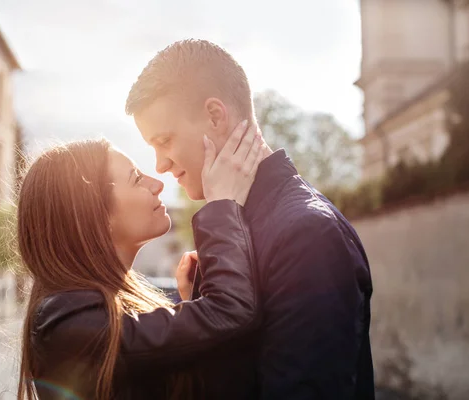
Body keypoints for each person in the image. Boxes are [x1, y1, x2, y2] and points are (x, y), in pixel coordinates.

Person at [126, 39, 375, 399]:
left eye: (164, 141)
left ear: (215, 116)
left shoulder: (307, 234)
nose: (160, 165)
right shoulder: (235, 224)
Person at [16, 122, 268, 399]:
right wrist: (222, 203)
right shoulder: (70, 324)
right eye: (136, 178)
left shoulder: (88, 312)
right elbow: (232, 311)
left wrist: (193, 303)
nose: (158, 184)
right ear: (94, 215)